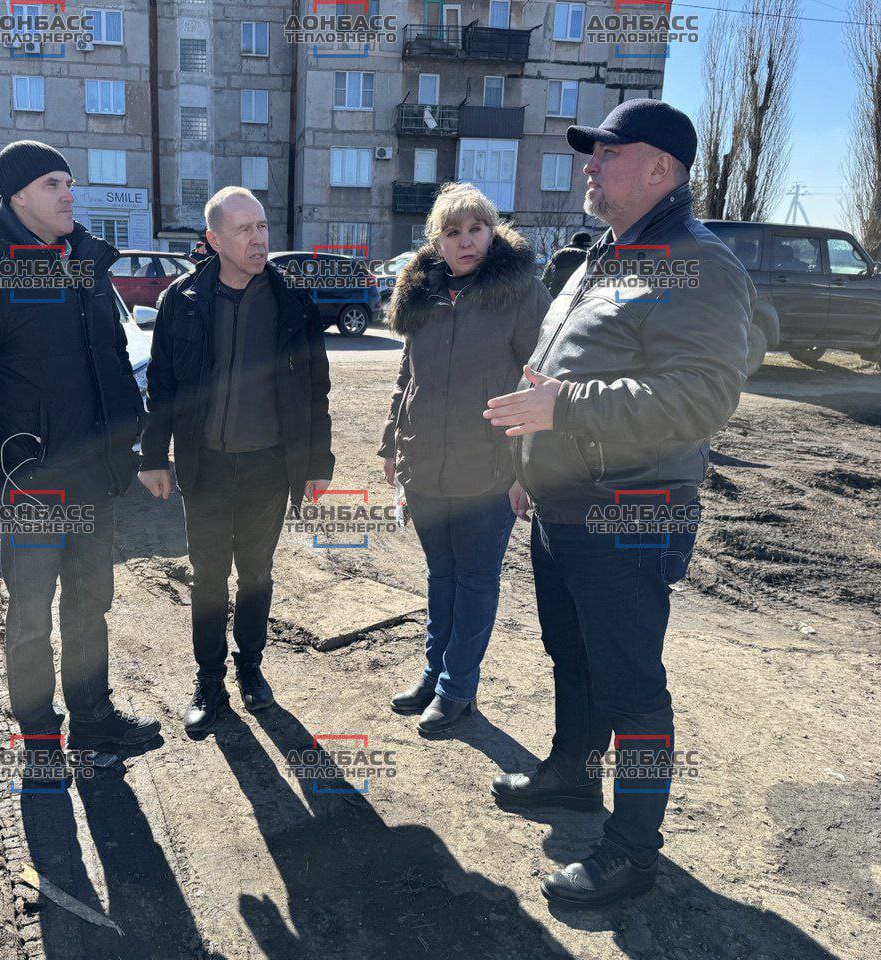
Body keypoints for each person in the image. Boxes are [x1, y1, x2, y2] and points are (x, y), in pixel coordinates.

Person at [483, 99, 754, 905]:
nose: (590, 165)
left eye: (608, 152)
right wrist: (529, 463)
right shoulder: (605, 254)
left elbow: (701, 398)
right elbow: (557, 369)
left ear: (661, 169)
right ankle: (573, 772)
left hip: (632, 507)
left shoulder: (698, 265)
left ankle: (634, 851)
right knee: (572, 655)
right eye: (590, 152)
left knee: (631, 684)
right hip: (563, 501)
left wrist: (563, 408)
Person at [0, 140, 161, 771]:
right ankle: (37, 738)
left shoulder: (84, 269)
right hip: (26, 486)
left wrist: (130, 448)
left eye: (69, 182)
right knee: (30, 615)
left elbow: (112, 365)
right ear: (18, 197)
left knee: (90, 606)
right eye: (53, 184)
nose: (68, 195)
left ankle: (94, 721)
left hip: (90, 479)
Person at [138, 186, 334, 737]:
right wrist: (153, 456)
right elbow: (162, 385)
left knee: (256, 575)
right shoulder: (182, 300)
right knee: (208, 578)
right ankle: (209, 680)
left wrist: (318, 463)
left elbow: (315, 389)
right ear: (214, 240)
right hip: (205, 467)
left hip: (269, 467)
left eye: (263, 226)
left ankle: (251, 668)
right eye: (244, 230)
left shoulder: (293, 301)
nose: (258, 239)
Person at [379, 183, 551, 736]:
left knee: (475, 580)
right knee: (441, 575)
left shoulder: (521, 293)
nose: (466, 241)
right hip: (426, 464)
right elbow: (407, 376)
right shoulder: (421, 294)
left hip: (490, 470)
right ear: (437, 241)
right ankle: (433, 674)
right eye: (452, 232)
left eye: (476, 229)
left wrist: (525, 471)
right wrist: (391, 444)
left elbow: (541, 383)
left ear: (493, 232)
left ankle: (458, 689)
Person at [540, 230, 593, 298]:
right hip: (573, 299)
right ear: (585, 247)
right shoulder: (586, 259)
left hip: (553, 299)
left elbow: (544, 281)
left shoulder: (555, 257)